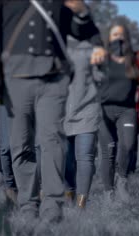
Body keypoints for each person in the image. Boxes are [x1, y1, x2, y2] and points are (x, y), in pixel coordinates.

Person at [0, 0, 104, 223]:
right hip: (15, 77)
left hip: (54, 76)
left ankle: (53, 204)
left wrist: (82, 12)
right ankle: (28, 204)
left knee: (52, 139)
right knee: (20, 142)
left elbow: (78, 30)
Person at [95, 21, 139, 203]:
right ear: (109, 38)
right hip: (105, 110)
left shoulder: (134, 59)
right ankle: (108, 192)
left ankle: (122, 181)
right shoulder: (102, 58)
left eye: (121, 35)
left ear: (126, 37)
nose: (118, 38)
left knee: (128, 145)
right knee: (107, 152)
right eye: (114, 35)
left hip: (127, 110)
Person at [63, 36, 102, 209]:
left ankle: (81, 205)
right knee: (65, 160)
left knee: (85, 157)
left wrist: (101, 65)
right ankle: (69, 193)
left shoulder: (91, 49)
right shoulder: (54, 45)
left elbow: (102, 77)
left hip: (87, 109)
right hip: (61, 113)